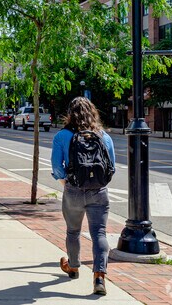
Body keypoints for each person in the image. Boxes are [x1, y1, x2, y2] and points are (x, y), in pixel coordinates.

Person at [51, 97, 115, 296]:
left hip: (73, 191)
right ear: (93, 112)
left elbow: (56, 166)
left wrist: (65, 183)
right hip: (99, 191)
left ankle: (74, 266)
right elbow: (111, 166)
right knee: (100, 233)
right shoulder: (103, 136)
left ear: (70, 114)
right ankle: (99, 277)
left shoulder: (62, 136)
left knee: (73, 231)